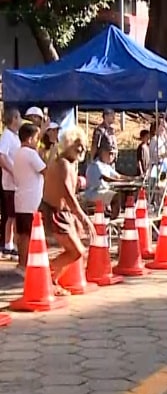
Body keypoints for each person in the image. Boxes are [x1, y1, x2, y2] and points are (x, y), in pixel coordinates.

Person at [41, 127, 95, 296]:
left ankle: (52, 280)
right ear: (69, 144)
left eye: (83, 146)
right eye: (77, 145)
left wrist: (76, 217)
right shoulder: (63, 162)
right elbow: (67, 193)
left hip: (63, 213)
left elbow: (69, 195)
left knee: (77, 251)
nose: (81, 149)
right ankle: (45, 275)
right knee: (77, 251)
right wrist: (83, 217)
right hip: (55, 213)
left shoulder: (70, 162)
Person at [12, 123, 46, 275]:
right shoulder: (30, 154)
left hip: (21, 198)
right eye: (37, 138)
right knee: (27, 234)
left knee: (23, 234)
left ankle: (22, 263)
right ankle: (25, 264)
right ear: (31, 138)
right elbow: (45, 169)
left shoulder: (19, 153)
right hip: (30, 201)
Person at [85, 146, 133, 217]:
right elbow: (107, 179)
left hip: (102, 191)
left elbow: (118, 176)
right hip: (94, 192)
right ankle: (113, 219)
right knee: (115, 197)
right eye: (110, 153)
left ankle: (111, 214)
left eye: (113, 154)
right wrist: (125, 181)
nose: (112, 156)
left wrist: (132, 178)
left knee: (121, 194)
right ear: (102, 152)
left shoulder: (106, 166)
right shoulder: (96, 165)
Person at [0, 107, 22, 258]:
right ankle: (8, 245)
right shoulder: (7, 136)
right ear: (13, 119)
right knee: (11, 215)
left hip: (16, 182)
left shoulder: (15, 136)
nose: (20, 120)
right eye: (19, 117)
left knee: (14, 214)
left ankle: (11, 243)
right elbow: (1, 156)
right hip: (9, 183)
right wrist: (13, 171)